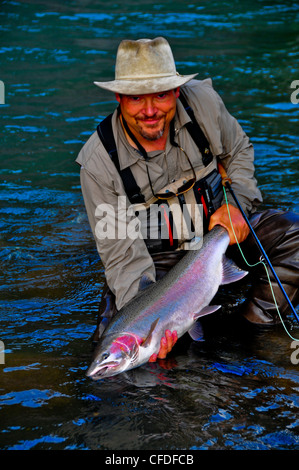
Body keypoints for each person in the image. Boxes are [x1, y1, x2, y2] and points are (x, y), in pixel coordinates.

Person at [76, 37, 299, 361]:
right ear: (119, 97)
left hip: (220, 230)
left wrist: (238, 205)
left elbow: (238, 151)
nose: (150, 111)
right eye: (137, 98)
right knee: (120, 352)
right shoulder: (98, 163)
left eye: (161, 95)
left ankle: (253, 330)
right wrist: (152, 319)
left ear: (177, 91)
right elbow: (123, 258)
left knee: (296, 235)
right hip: (155, 260)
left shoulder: (204, 103)